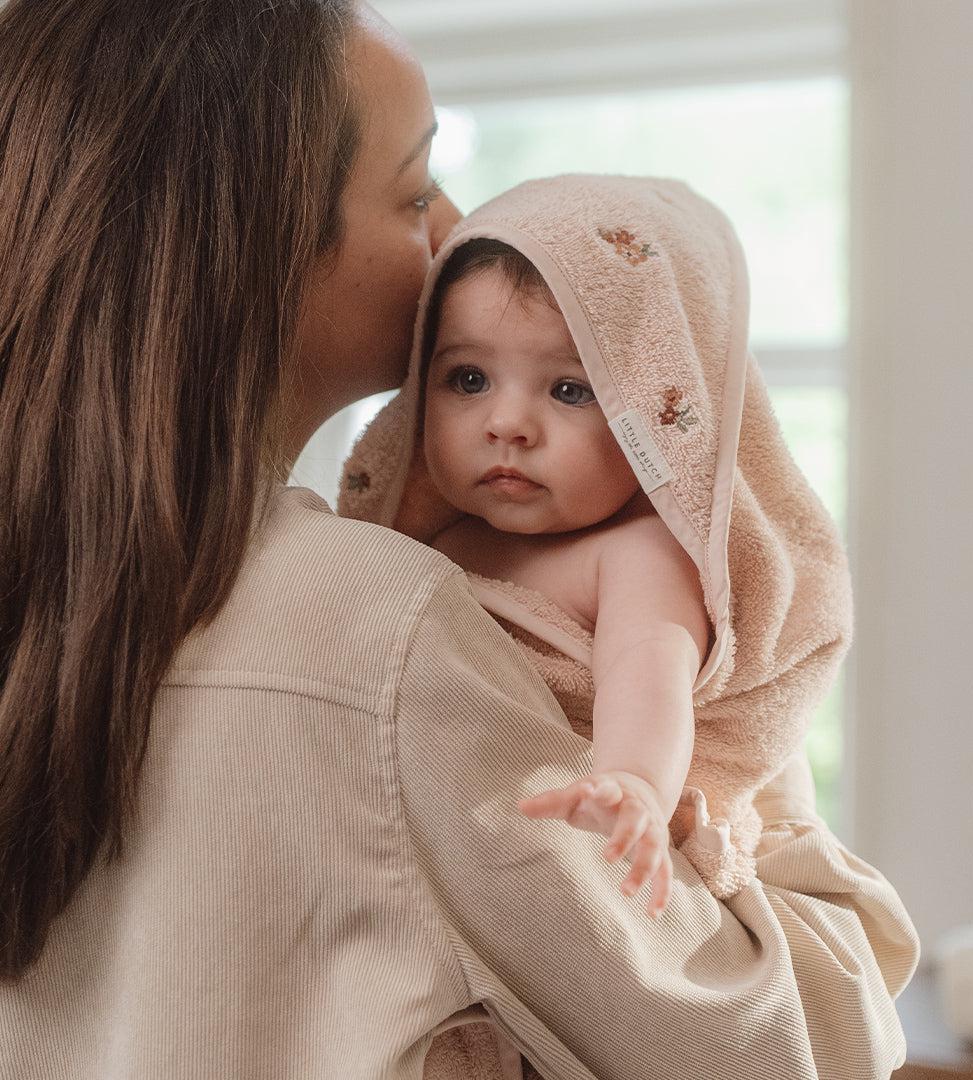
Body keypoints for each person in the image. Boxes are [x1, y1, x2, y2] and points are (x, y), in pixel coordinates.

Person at [0, 3, 919, 1080]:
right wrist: (749, 775)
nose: (453, 227)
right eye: (414, 187)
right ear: (263, 242)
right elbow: (784, 1046)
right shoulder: (383, 628)